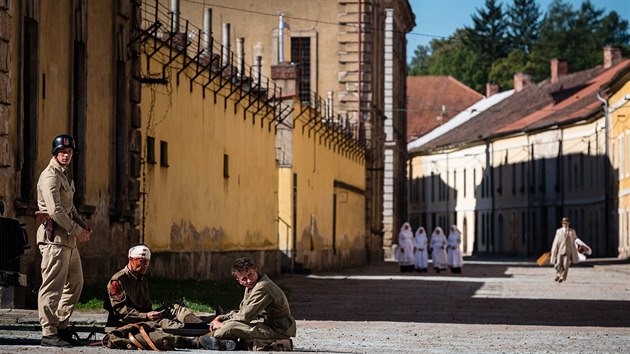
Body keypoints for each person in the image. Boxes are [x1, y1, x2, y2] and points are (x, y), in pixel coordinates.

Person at [36, 134, 91, 347]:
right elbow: (55, 211)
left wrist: (81, 223)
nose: (65, 155)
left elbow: (70, 207)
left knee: (76, 282)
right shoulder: (50, 176)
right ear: (55, 153)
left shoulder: (65, 175)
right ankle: (49, 333)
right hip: (55, 239)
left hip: (68, 239)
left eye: (69, 152)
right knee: (52, 286)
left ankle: (61, 325)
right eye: (62, 152)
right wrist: (77, 230)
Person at [105, 245, 207, 349]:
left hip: (144, 317)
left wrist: (153, 314)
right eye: (141, 261)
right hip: (126, 322)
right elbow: (120, 311)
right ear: (131, 259)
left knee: (175, 306)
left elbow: (147, 305)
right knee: (164, 322)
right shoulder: (118, 281)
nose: (145, 265)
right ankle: (198, 334)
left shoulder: (142, 279)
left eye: (147, 262)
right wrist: (146, 316)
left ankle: (202, 326)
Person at [201, 257, 296, 351]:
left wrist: (222, 324)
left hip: (279, 329)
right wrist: (222, 318)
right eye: (244, 278)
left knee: (230, 328)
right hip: (267, 324)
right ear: (239, 281)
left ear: (256, 270)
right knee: (230, 326)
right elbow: (242, 311)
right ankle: (217, 341)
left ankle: (197, 341)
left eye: (250, 275)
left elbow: (245, 316)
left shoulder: (263, 286)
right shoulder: (251, 286)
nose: (249, 280)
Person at [550, 217, 579, 283]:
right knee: (557, 264)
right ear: (562, 224)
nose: (565, 224)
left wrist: (578, 247)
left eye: (566, 223)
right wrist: (553, 249)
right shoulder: (558, 231)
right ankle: (558, 274)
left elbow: (575, 240)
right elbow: (556, 241)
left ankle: (562, 277)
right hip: (560, 250)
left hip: (568, 250)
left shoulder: (572, 231)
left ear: (568, 224)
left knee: (565, 265)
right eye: (564, 223)